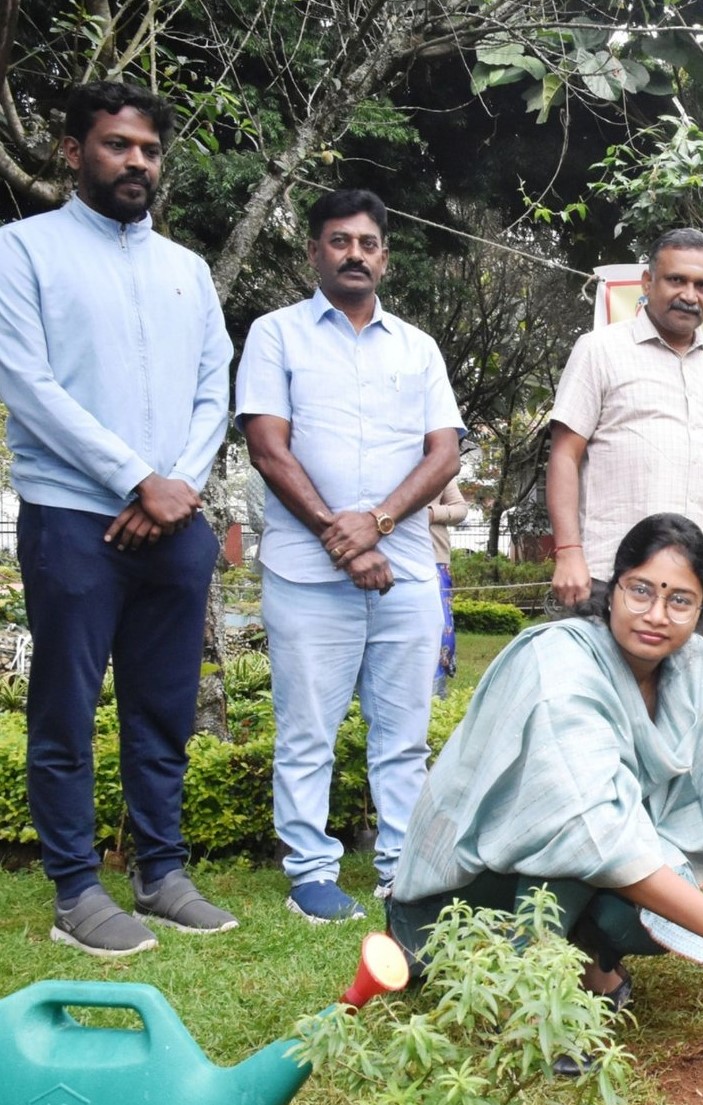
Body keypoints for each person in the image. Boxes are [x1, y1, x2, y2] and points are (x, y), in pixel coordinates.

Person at [389, 512, 703, 1041]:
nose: (656, 614)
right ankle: (533, 996)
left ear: (702, 609)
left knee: (653, 899)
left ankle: (585, 955)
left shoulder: (694, 665)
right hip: (462, 895)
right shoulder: (560, 665)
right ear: (612, 589)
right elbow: (590, 836)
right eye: (641, 590)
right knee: (574, 840)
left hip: (578, 860)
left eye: (680, 599)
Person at [0, 80, 237, 957]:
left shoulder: (189, 269)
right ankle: (74, 891)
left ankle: (162, 873)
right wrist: (137, 475)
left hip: (176, 523)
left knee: (163, 707)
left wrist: (176, 481)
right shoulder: (21, 251)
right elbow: (27, 382)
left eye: (147, 148)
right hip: (71, 519)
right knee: (65, 709)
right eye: (116, 145)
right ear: (73, 151)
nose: (135, 161)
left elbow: (216, 385)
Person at [236, 188, 464, 923]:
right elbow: (268, 446)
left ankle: (403, 866)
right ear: (313, 251)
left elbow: (445, 450)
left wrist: (380, 520)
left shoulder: (417, 346)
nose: (355, 254)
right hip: (307, 574)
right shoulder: (276, 335)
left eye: (367, 243)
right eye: (339, 241)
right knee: (308, 730)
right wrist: (343, 538)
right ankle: (310, 870)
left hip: (403, 572)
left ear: (385, 257)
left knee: (403, 734)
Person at [547, 229, 703, 628]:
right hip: (609, 577)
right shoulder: (600, 350)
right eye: (676, 280)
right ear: (647, 282)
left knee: (679, 692)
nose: (690, 295)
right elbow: (564, 455)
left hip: (693, 586)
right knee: (598, 691)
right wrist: (569, 550)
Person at [428, 478, 469, 697]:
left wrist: (431, 514)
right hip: (387, 560)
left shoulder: (437, 463)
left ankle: (437, 698)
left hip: (434, 557)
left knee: (440, 629)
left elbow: (460, 509)